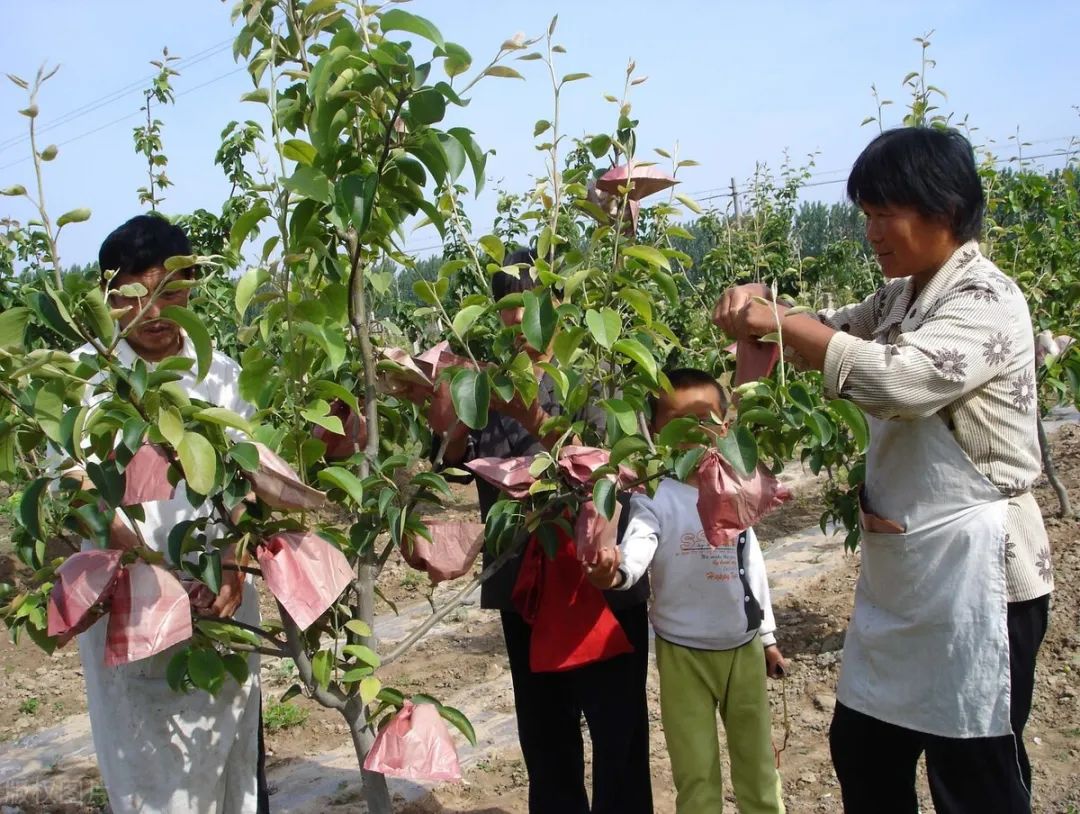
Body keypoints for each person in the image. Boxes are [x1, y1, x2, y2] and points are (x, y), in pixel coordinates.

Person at [714, 127, 1052, 813]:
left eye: (882, 213)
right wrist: (760, 313)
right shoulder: (901, 297)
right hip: (910, 570)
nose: (870, 231)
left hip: (982, 574)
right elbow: (821, 327)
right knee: (864, 748)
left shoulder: (987, 300)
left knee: (973, 771)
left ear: (944, 208)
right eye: (865, 214)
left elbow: (900, 380)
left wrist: (785, 323)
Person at [432, 249, 653, 814]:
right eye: (510, 310)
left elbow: (630, 469)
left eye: (534, 305)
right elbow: (451, 462)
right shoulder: (486, 386)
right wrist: (454, 405)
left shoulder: (600, 373)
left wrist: (544, 428)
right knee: (546, 736)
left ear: (558, 302)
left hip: (602, 581)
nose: (523, 325)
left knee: (618, 737)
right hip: (527, 588)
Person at [71, 215, 267, 813]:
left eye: (172, 293)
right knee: (153, 780)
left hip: (221, 604)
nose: (157, 310)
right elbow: (76, 491)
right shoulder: (88, 382)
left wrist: (235, 559)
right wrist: (145, 567)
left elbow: (250, 482)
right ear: (109, 297)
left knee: (233, 765)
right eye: (136, 295)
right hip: (133, 610)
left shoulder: (223, 378)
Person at [584, 368, 787, 814]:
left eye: (706, 420)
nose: (695, 434)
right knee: (695, 772)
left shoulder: (736, 486)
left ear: (726, 424)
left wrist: (768, 637)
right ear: (655, 433)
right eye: (679, 423)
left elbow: (751, 563)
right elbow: (639, 545)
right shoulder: (656, 498)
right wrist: (614, 573)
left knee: (757, 766)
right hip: (683, 653)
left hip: (743, 646)